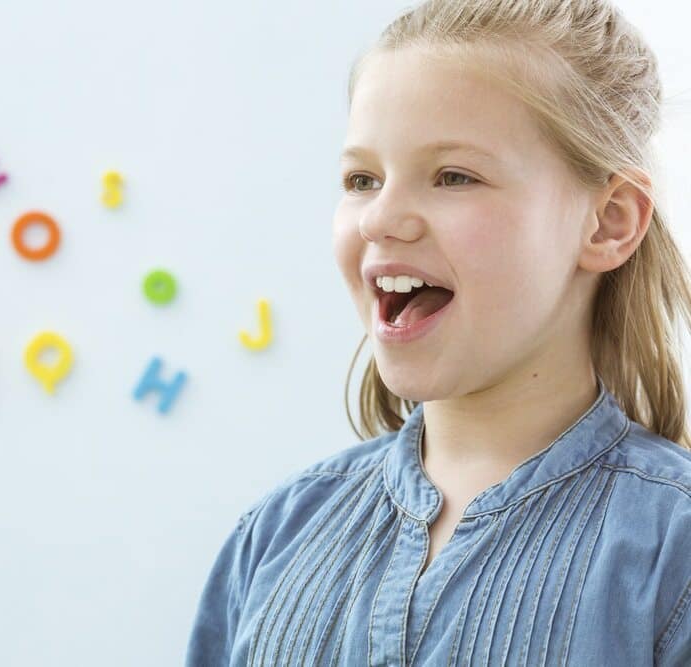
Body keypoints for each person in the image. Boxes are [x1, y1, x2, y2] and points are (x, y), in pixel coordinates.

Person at [184, 0, 691, 664]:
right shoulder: (276, 534)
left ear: (609, 223)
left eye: (455, 176)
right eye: (361, 179)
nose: (379, 218)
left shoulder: (672, 554)